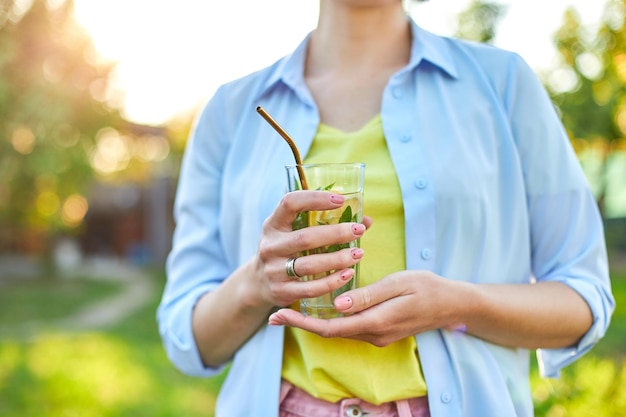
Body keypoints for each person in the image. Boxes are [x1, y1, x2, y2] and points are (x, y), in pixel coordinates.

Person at [157, 1, 615, 416]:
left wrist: (455, 305)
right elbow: (188, 338)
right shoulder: (232, 110)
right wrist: (258, 282)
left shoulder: (503, 85)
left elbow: (582, 299)